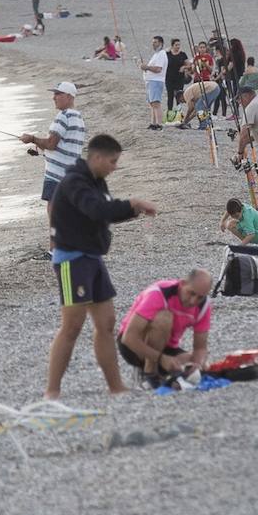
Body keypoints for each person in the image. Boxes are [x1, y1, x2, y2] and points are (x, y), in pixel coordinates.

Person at [46, 134, 157, 399]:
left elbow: (105, 211)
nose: (114, 166)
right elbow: (96, 210)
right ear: (96, 157)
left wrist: (132, 211)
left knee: (106, 323)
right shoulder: (75, 182)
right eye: (113, 161)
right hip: (72, 260)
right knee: (72, 326)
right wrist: (132, 203)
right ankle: (52, 391)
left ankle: (115, 386)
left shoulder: (96, 181)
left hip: (92, 258)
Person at [117, 270, 213, 390]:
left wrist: (196, 364)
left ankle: (163, 374)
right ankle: (149, 373)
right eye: (191, 293)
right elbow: (128, 338)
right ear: (182, 284)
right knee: (164, 318)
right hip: (133, 347)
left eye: (200, 297)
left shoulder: (204, 306)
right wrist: (161, 358)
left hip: (166, 348)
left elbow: (200, 348)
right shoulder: (159, 293)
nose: (193, 301)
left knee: (202, 365)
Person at [21, 82, 86, 252]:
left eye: (58, 94)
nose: (54, 97)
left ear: (69, 97)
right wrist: (41, 149)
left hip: (58, 175)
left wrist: (32, 138)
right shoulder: (77, 117)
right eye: (54, 93)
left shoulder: (64, 116)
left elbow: (51, 143)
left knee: (54, 212)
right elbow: (62, 147)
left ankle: (55, 251)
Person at [140, 36, 168, 130]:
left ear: (161, 43)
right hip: (151, 81)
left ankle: (159, 124)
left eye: (155, 42)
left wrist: (146, 67)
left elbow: (158, 69)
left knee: (156, 103)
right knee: (152, 103)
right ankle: (153, 123)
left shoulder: (161, 54)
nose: (153, 44)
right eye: (153, 42)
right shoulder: (156, 54)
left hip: (156, 81)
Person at [164, 38, 188, 114]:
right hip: (169, 78)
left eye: (179, 45)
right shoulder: (167, 54)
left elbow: (189, 64)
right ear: (172, 46)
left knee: (179, 96)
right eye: (176, 45)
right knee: (170, 96)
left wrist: (184, 67)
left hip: (179, 78)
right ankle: (169, 113)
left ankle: (179, 113)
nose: (178, 46)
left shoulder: (182, 54)